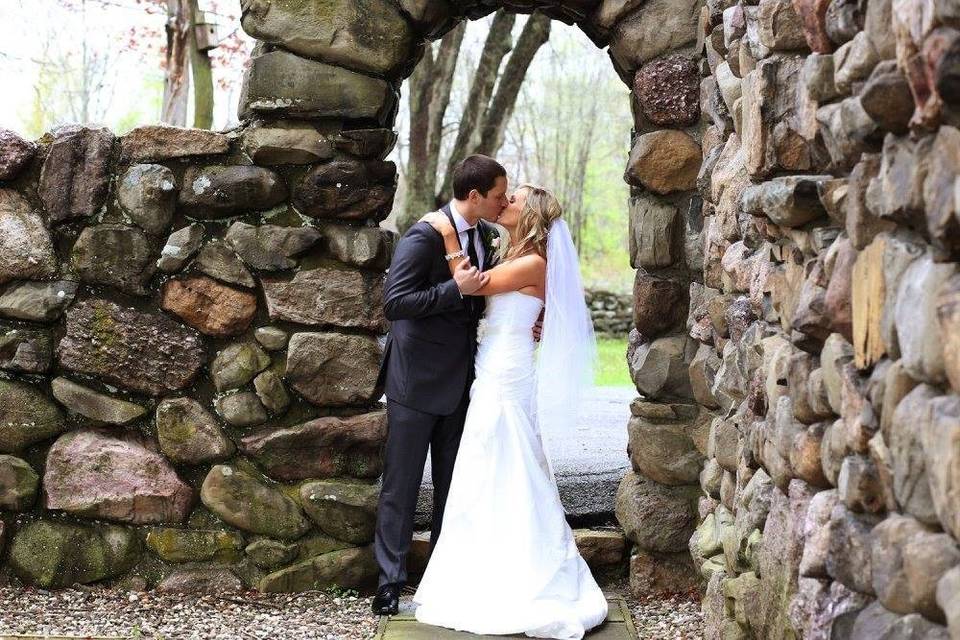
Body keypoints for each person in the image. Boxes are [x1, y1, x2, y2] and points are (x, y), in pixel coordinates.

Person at [411, 185, 608, 640]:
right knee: (487, 463)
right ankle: (484, 566)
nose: (505, 203)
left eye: (514, 199)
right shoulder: (518, 258)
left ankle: (519, 576)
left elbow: (474, 286)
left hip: (505, 371)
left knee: (504, 458)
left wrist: (446, 238)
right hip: (495, 364)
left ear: (530, 215)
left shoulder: (533, 262)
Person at [371, 154, 509, 616]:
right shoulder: (423, 236)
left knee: (455, 483)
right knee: (402, 484)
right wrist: (456, 291)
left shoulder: (488, 237)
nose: (502, 202)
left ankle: (442, 577)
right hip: (414, 381)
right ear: (474, 196)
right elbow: (395, 303)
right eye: (496, 196)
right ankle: (389, 582)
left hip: (462, 380)